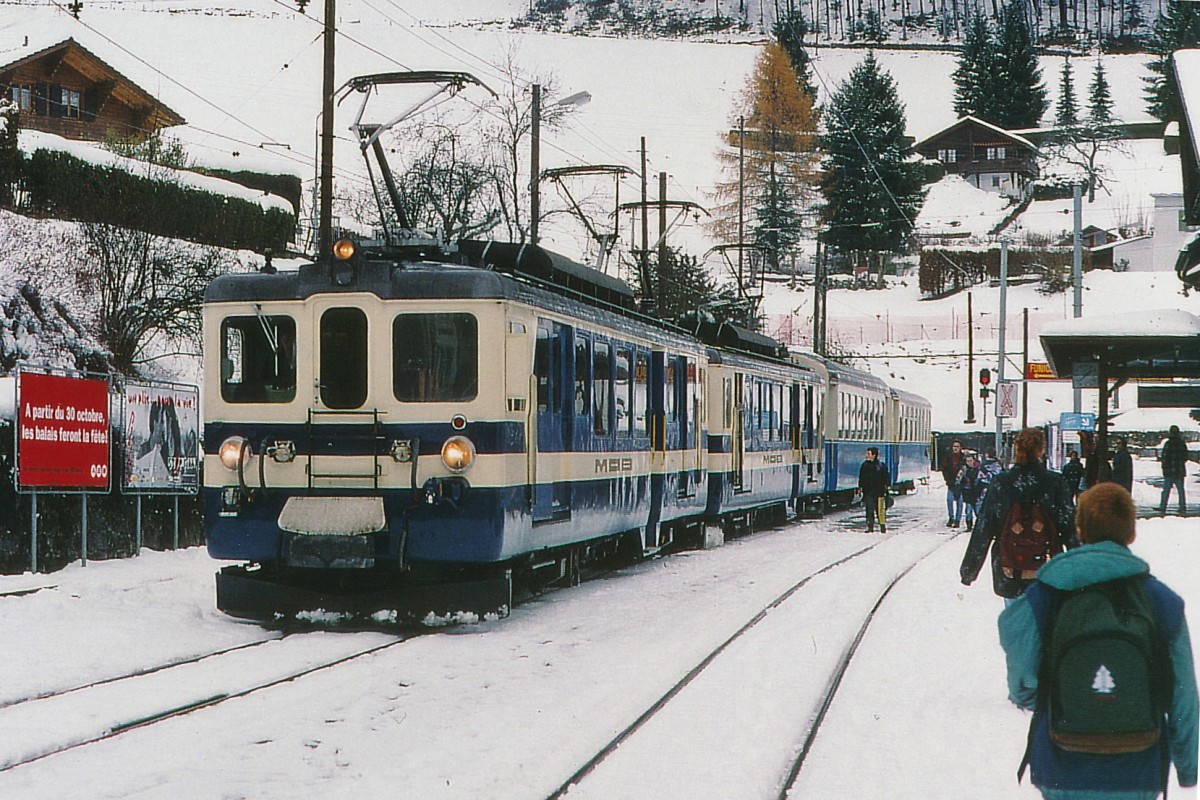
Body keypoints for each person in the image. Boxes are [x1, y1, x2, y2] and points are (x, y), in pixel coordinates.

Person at [997, 483, 1199, 799]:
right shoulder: (1162, 601)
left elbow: (1022, 671)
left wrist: (1043, 699)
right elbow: (1183, 694)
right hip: (1137, 766)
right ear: (1131, 534)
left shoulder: (1046, 593)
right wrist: (1187, 767)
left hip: (1060, 761)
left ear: (1080, 530)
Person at [960, 427, 1076, 602]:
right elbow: (1069, 527)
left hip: (1009, 569)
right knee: (1044, 624)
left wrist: (969, 570)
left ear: (1016, 449)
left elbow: (984, 526)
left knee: (1015, 623)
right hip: (1047, 568)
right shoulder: (1055, 483)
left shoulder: (1001, 483)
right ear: (1041, 450)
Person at [858, 446, 891, 534]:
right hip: (868, 492)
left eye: (868, 454)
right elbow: (861, 478)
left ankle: (882, 527)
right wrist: (860, 488)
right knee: (869, 510)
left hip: (879, 492)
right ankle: (870, 527)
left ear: (874, 455)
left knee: (880, 510)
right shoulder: (864, 466)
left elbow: (886, 478)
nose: (866, 455)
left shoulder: (881, 466)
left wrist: (887, 487)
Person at [1159, 425, 1189, 516]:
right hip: (1179, 470)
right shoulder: (1181, 443)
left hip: (1169, 471)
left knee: (1166, 490)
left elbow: (1164, 457)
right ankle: (1182, 506)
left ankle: (1163, 506)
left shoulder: (1168, 443)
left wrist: (1164, 467)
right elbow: (1185, 456)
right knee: (1180, 490)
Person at [941, 439, 965, 527]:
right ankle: (951, 518)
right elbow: (944, 469)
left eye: (957, 447)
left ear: (960, 448)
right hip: (950, 482)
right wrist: (948, 480)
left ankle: (957, 519)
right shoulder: (948, 457)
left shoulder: (963, 458)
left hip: (960, 483)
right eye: (954, 446)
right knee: (949, 500)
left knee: (960, 501)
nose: (955, 448)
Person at [956, 453, 982, 531]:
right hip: (967, 492)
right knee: (968, 510)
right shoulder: (964, 470)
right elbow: (958, 480)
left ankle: (980, 525)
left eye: (970, 461)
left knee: (977, 510)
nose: (969, 462)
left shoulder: (978, 469)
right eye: (967, 461)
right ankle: (969, 525)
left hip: (976, 493)